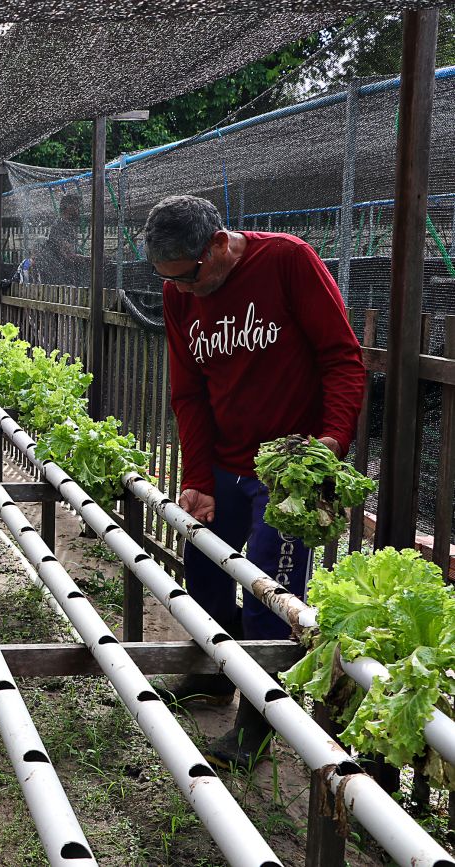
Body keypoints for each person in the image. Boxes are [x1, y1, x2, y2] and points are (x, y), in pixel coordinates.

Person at [144, 194, 365, 769]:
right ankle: (215, 675)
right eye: (171, 280)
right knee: (205, 567)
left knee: (272, 589)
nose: (183, 290)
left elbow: (342, 358)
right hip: (224, 460)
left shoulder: (288, 261)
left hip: (286, 466)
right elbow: (189, 391)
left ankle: (261, 716)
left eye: (189, 276)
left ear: (219, 244)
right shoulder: (178, 292)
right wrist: (198, 476)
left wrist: (329, 445)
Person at [37, 193, 85, 286]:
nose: (78, 210)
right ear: (69, 207)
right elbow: (68, 256)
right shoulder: (59, 226)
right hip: (59, 279)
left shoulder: (69, 226)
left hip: (68, 277)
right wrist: (93, 259)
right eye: (76, 206)